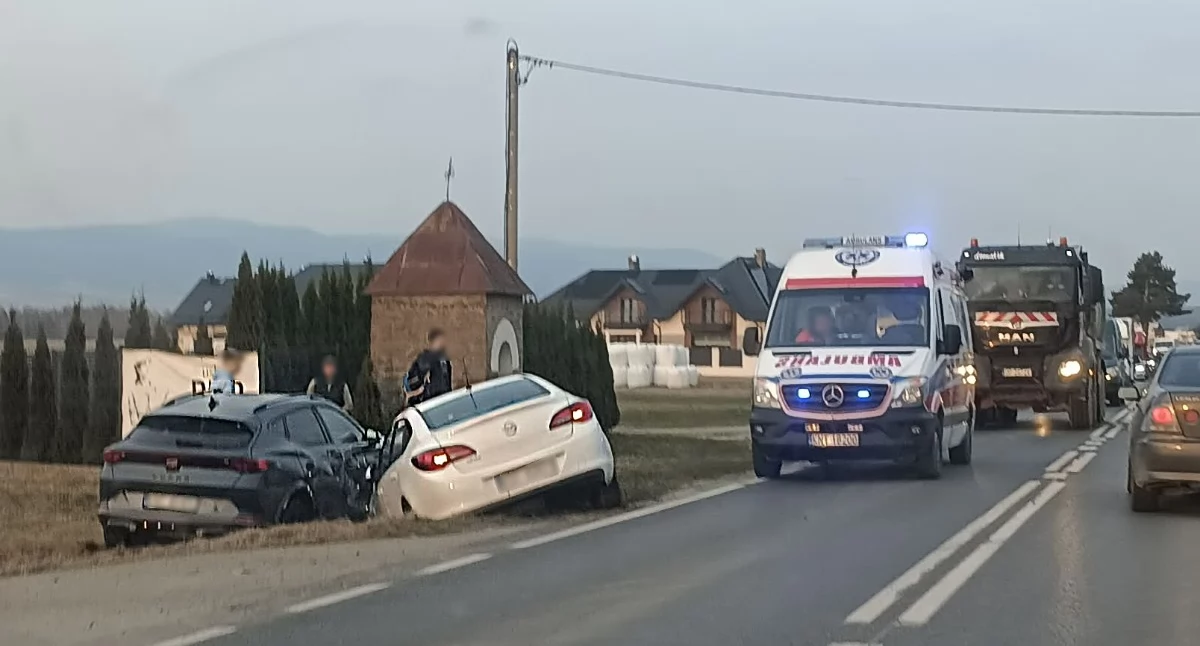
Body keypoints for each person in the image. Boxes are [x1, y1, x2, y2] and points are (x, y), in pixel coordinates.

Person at [405, 328, 453, 406]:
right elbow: (414, 380)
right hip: (430, 401)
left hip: (444, 400)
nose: (444, 344)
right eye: (441, 341)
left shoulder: (444, 360)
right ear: (435, 341)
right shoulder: (424, 359)